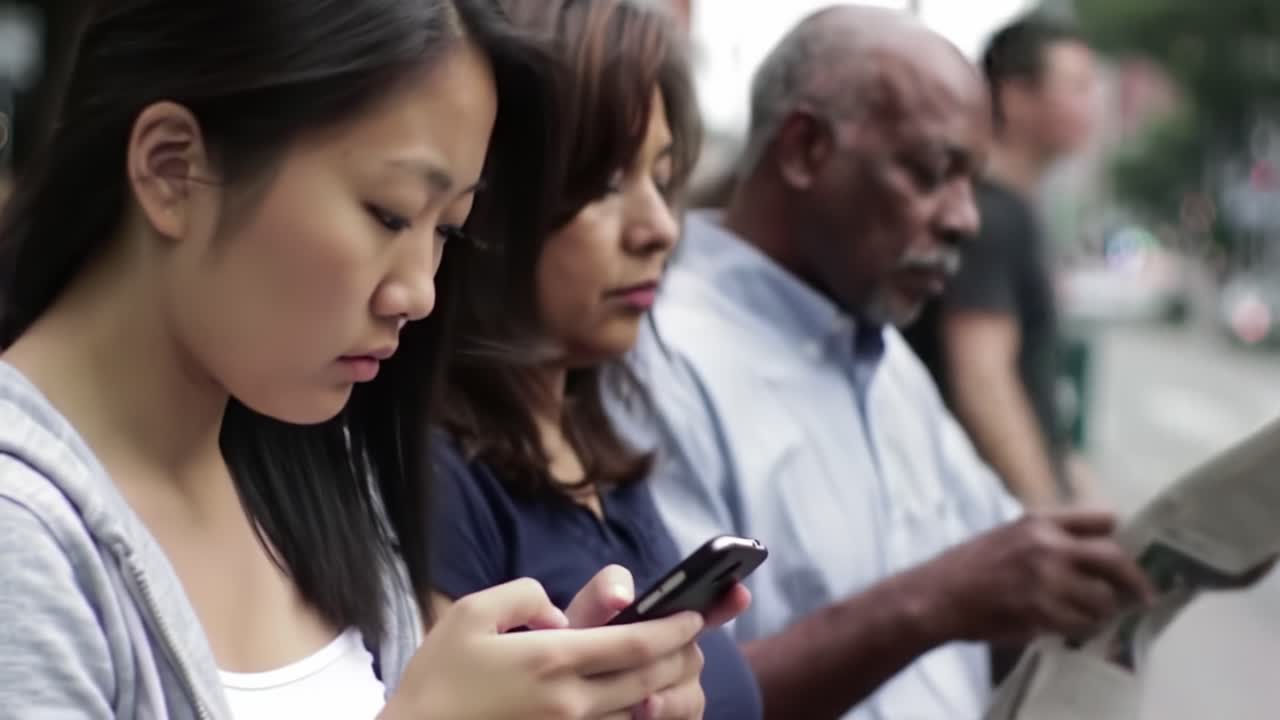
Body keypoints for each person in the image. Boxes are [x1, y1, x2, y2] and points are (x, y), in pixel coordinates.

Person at [0, 2, 716, 718]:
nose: (420, 292)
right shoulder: (22, 534)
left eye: (449, 231)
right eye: (391, 213)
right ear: (172, 169)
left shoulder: (314, 464)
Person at [618, 6, 1155, 719]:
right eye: (933, 173)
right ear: (806, 149)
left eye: (972, 181)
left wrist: (1065, 586)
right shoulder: (664, 360)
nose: (963, 217)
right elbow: (679, 694)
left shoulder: (887, 358)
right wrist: (935, 601)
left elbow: (994, 593)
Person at [429, 1, 756, 718]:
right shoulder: (441, 482)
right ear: (489, 203)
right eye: (607, 184)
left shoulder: (592, 444)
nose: (660, 227)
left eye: (662, 178)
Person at [905, 16, 1100, 508]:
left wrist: (1070, 478)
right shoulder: (989, 215)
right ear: (1015, 97)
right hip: (974, 512)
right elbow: (984, 379)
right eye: (1075, 86)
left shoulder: (1014, 210)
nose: (1092, 104)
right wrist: (1049, 517)